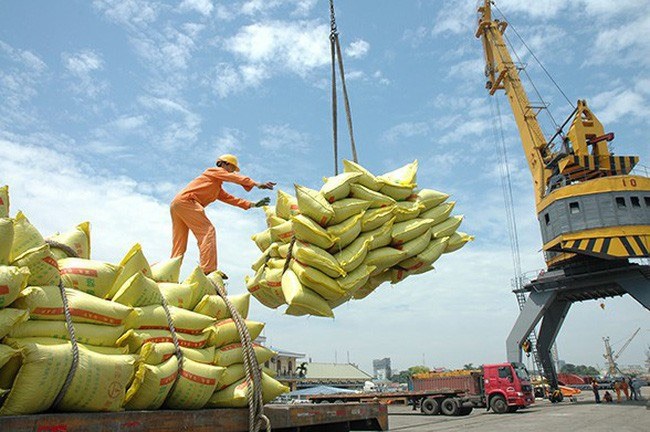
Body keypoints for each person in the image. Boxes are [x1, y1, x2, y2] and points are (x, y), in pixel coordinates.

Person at [170, 154, 275, 276]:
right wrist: (257, 184)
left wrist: (253, 204)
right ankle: (208, 270)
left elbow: (231, 199)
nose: (233, 171)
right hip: (187, 202)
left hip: (177, 204)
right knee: (208, 231)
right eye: (232, 168)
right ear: (224, 164)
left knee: (179, 243)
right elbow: (232, 178)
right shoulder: (213, 171)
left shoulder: (215, 186)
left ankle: (170, 272)